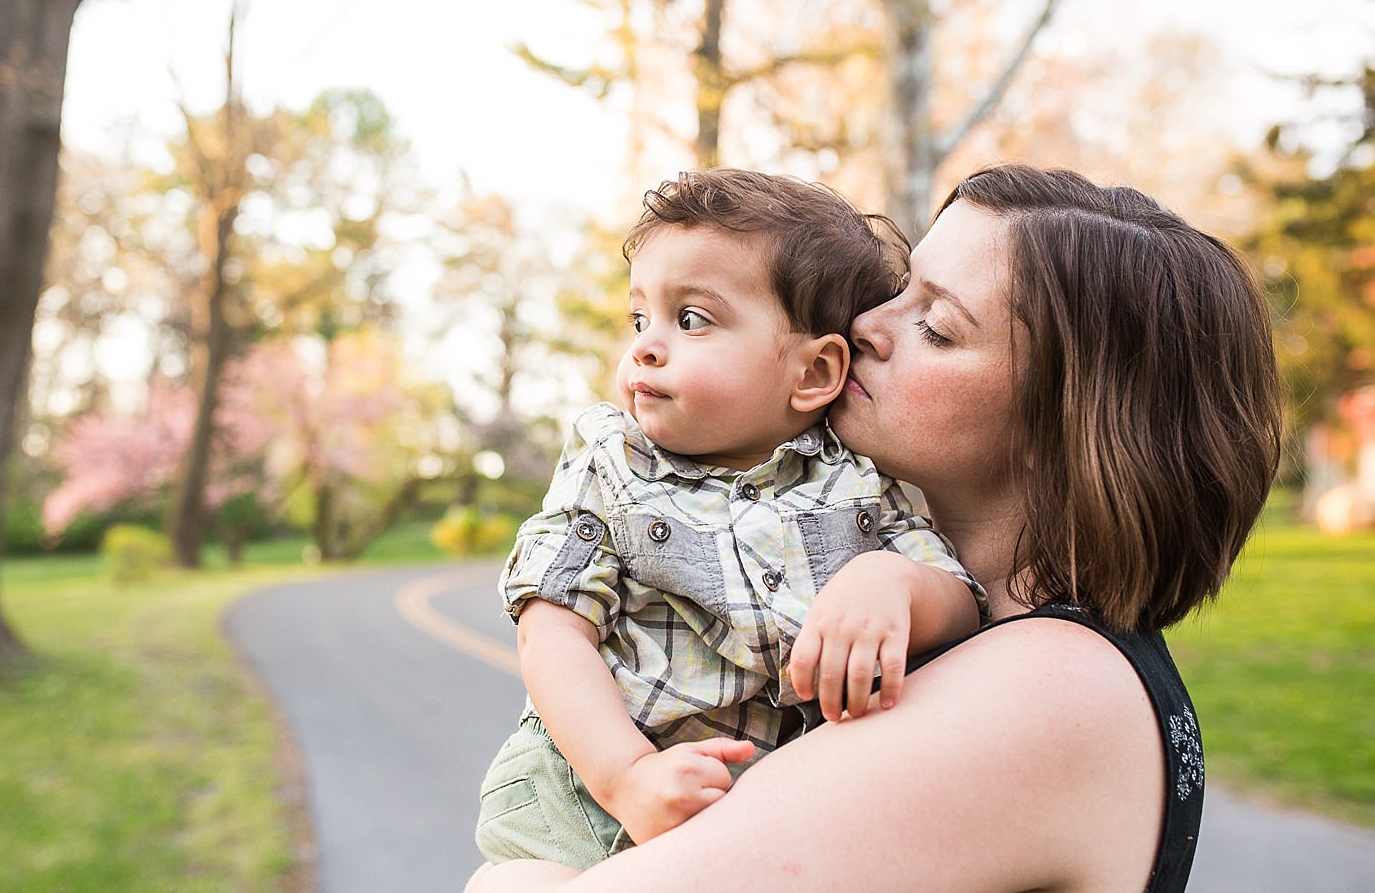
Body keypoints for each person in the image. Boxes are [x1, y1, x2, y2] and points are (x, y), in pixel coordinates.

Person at [465, 163, 1282, 893]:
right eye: (902, 289)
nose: (867, 326)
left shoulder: (1043, 690)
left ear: (1060, 425)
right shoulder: (989, 645)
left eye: (937, 325)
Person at [473, 168, 987, 871]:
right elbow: (552, 626)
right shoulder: (612, 459)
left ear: (812, 374)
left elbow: (959, 599)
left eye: (691, 320)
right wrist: (625, 775)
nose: (646, 346)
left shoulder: (857, 479)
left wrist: (891, 583)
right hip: (580, 798)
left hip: (752, 812)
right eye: (639, 319)